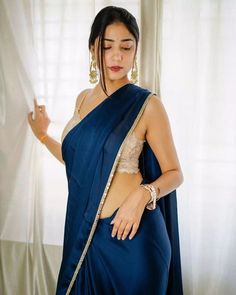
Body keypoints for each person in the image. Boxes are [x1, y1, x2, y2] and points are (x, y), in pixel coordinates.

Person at [28, 6, 184, 295]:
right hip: (88, 237)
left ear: (135, 52)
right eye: (106, 46)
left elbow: (175, 174)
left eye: (126, 47)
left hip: (135, 237)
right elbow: (77, 161)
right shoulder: (83, 99)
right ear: (92, 49)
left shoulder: (147, 105)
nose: (116, 56)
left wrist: (142, 195)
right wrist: (41, 136)